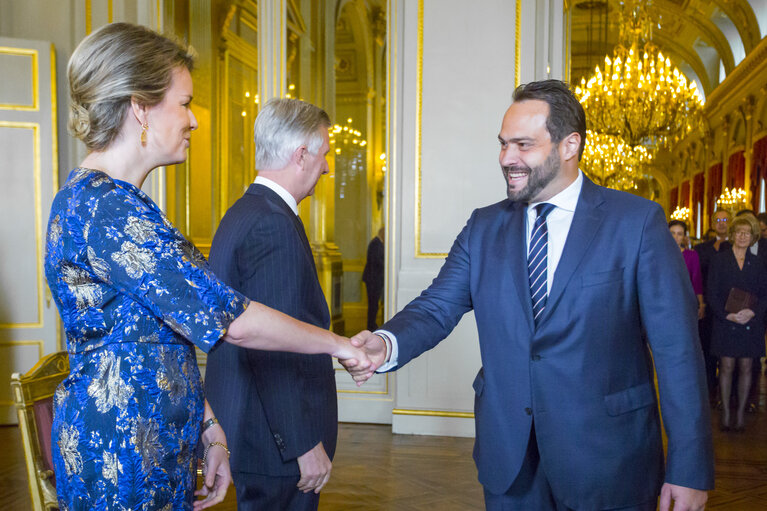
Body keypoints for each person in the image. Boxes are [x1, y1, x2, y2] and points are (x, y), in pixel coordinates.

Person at [344, 80, 713, 510]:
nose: (507, 159)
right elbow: (436, 306)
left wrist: (689, 469)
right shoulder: (484, 227)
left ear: (569, 145)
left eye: (523, 145)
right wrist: (385, 343)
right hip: (510, 460)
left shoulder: (637, 224)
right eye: (503, 145)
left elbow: (678, 352)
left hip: (609, 459)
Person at [45, 23, 370, 511]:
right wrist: (341, 345)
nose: (194, 119)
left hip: (153, 442)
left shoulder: (123, 204)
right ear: (140, 107)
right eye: (184, 102)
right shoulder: (105, 208)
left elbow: (163, 336)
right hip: (122, 454)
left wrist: (209, 428)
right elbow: (233, 319)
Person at [204, 98, 336, 511]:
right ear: (301, 155)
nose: (327, 167)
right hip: (275, 444)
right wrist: (302, 443)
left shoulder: (244, 212)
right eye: (325, 155)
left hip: (255, 431)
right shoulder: (271, 223)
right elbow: (271, 346)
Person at [706, 214, 767, 431]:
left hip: (751, 322)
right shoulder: (719, 260)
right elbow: (711, 293)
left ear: (753, 237)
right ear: (732, 235)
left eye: (747, 233)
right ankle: (725, 414)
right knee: (727, 366)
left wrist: (753, 312)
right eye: (739, 232)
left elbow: (765, 294)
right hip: (726, 321)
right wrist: (726, 315)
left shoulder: (760, 262)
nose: (742, 236)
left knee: (746, 366)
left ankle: (740, 414)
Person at [695, 209, 732, 399]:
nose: (722, 223)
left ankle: (729, 393)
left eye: (725, 219)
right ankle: (709, 389)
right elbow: (697, 277)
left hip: (731, 306)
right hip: (708, 307)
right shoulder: (702, 249)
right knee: (707, 348)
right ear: (712, 223)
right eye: (718, 220)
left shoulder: (736, 246)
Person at [669, 220, 705, 319]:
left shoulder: (692, 255)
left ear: (684, 237)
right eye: (672, 233)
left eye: (679, 234)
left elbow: (696, 280)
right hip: (663, 302)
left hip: (685, 303)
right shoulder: (658, 254)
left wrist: (701, 304)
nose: (675, 237)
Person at [362, 226, 385, 331]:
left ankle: (372, 325)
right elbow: (377, 261)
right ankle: (371, 326)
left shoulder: (378, 243)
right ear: (383, 234)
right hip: (373, 280)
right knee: (373, 304)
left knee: (374, 304)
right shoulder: (376, 244)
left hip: (375, 279)